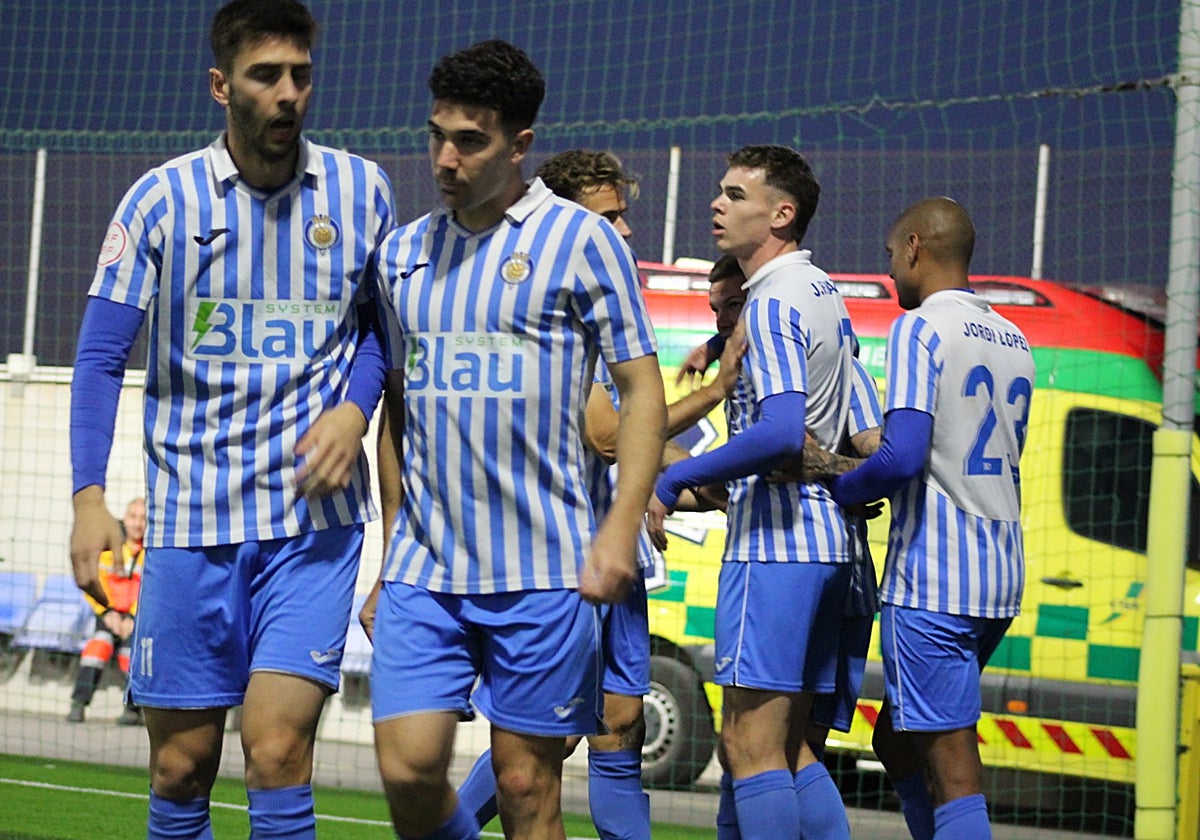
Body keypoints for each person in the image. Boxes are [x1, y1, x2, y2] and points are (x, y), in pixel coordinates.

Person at [67, 1, 395, 836]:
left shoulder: (362, 191)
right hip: (191, 524)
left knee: (278, 752)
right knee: (181, 767)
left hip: (313, 528)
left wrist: (354, 411)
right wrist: (87, 497)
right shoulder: (160, 200)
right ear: (221, 85)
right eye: (265, 75)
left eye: (301, 75)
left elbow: (381, 335)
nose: (289, 93)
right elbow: (100, 356)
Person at [368, 42, 667, 840]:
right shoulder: (401, 255)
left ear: (519, 145)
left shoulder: (583, 241)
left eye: (470, 141)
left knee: (526, 785)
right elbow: (396, 410)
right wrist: (390, 548)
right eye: (437, 136)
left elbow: (642, 390)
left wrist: (620, 528)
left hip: (547, 570)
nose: (446, 158)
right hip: (425, 570)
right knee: (406, 769)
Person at [454, 151, 745, 840]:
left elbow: (644, 450)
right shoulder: (550, 309)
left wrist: (710, 480)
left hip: (618, 558)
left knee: (622, 723)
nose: (626, 230)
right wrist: (716, 391)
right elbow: (611, 436)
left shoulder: (610, 309)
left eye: (625, 216)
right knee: (547, 738)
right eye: (611, 217)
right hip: (565, 559)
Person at [646, 144, 855, 840]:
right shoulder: (822, 292)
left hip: (776, 544)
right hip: (828, 543)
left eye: (736, 194)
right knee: (790, 750)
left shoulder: (770, 300)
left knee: (748, 746)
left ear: (781, 213)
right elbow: (853, 429)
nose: (717, 203)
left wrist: (675, 478)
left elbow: (781, 431)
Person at [824, 197, 1034, 840]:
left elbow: (903, 456)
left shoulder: (920, 328)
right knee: (894, 738)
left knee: (954, 774)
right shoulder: (1015, 338)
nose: (890, 270)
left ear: (915, 247)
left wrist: (841, 489)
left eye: (891, 255)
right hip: (999, 574)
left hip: (937, 579)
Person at [67, 497, 146, 726]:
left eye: (143, 518)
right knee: (97, 648)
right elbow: (94, 582)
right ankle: (78, 704)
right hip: (108, 614)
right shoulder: (109, 546)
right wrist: (107, 612)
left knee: (131, 655)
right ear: (125, 518)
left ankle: (132, 710)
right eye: (133, 517)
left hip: (137, 617)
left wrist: (133, 616)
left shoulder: (152, 552)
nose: (137, 524)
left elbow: (149, 589)